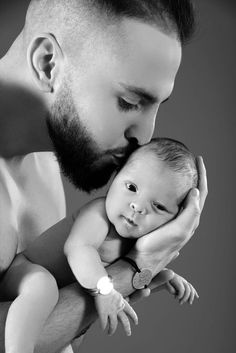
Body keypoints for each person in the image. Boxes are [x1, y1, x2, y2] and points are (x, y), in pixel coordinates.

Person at [0, 1, 207, 352]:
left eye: (158, 106)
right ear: (48, 63)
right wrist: (138, 265)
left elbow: (47, 336)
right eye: (129, 101)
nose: (144, 137)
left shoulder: (45, 167)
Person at [0, 138, 200, 353]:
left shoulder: (135, 238)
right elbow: (78, 250)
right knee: (43, 288)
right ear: (115, 178)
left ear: (174, 219)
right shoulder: (99, 214)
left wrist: (164, 274)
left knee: (64, 347)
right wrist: (105, 291)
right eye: (131, 187)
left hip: (56, 300)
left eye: (159, 206)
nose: (138, 206)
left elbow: (138, 268)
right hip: (26, 273)